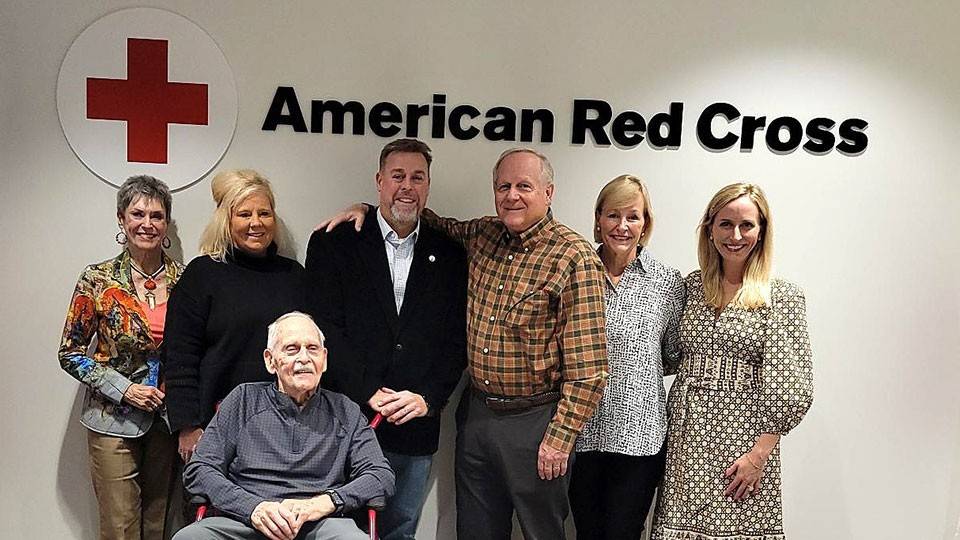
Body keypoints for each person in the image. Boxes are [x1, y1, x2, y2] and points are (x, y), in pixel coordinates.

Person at [321, 148, 607, 539]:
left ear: (549, 192)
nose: (512, 196)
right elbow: (415, 214)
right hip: (477, 417)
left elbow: (590, 368)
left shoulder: (573, 257)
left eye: (524, 186)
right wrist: (369, 210)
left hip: (535, 422)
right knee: (475, 530)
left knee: (542, 531)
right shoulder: (483, 235)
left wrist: (560, 439)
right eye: (503, 186)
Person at [304, 139, 467, 540]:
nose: (407, 186)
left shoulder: (449, 253)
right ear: (379, 182)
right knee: (336, 530)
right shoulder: (334, 243)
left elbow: (455, 340)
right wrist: (367, 391)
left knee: (400, 529)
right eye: (397, 176)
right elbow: (321, 329)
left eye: (417, 177)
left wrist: (428, 399)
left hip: (413, 422)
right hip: (344, 418)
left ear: (428, 185)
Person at [651, 183, 814, 540]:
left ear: (762, 231)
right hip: (686, 434)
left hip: (743, 440)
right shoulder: (690, 287)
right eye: (725, 224)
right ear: (709, 229)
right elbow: (666, 354)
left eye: (747, 225)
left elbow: (792, 384)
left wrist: (759, 455)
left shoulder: (782, 296)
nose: (735, 235)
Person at [173, 312, 395, 540]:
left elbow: (380, 476)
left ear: (324, 359)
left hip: (319, 524)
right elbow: (199, 470)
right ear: (270, 360)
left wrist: (325, 502)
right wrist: (253, 508)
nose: (304, 358)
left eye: (312, 348)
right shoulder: (243, 400)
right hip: (246, 520)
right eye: (292, 349)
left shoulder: (345, 410)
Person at [58, 175, 184, 540]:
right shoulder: (98, 279)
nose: (147, 224)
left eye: (157, 216)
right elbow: (70, 353)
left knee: (159, 522)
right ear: (121, 219)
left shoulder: (187, 279)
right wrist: (125, 389)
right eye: (138, 213)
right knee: (120, 526)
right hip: (111, 419)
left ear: (166, 224)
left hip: (166, 421)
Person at [569, 175, 684, 540]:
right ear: (598, 218)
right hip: (579, 433)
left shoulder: (667, 282)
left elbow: (672, 355)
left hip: (639, 438)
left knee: (623, 533)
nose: (622, 226)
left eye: (632, 217)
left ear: (645, 223)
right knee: (586, 533)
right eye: (613, 215)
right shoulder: (574, 270)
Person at [164, 169, 304, 464]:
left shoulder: (294, 276)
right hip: (214, 429)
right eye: (244, 214)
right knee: (215, 510)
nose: (256, 223)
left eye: (264, 213)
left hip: (286, 431)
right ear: (226, 221)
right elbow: (180, 356)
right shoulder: (202, 275)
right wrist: (188, 425)